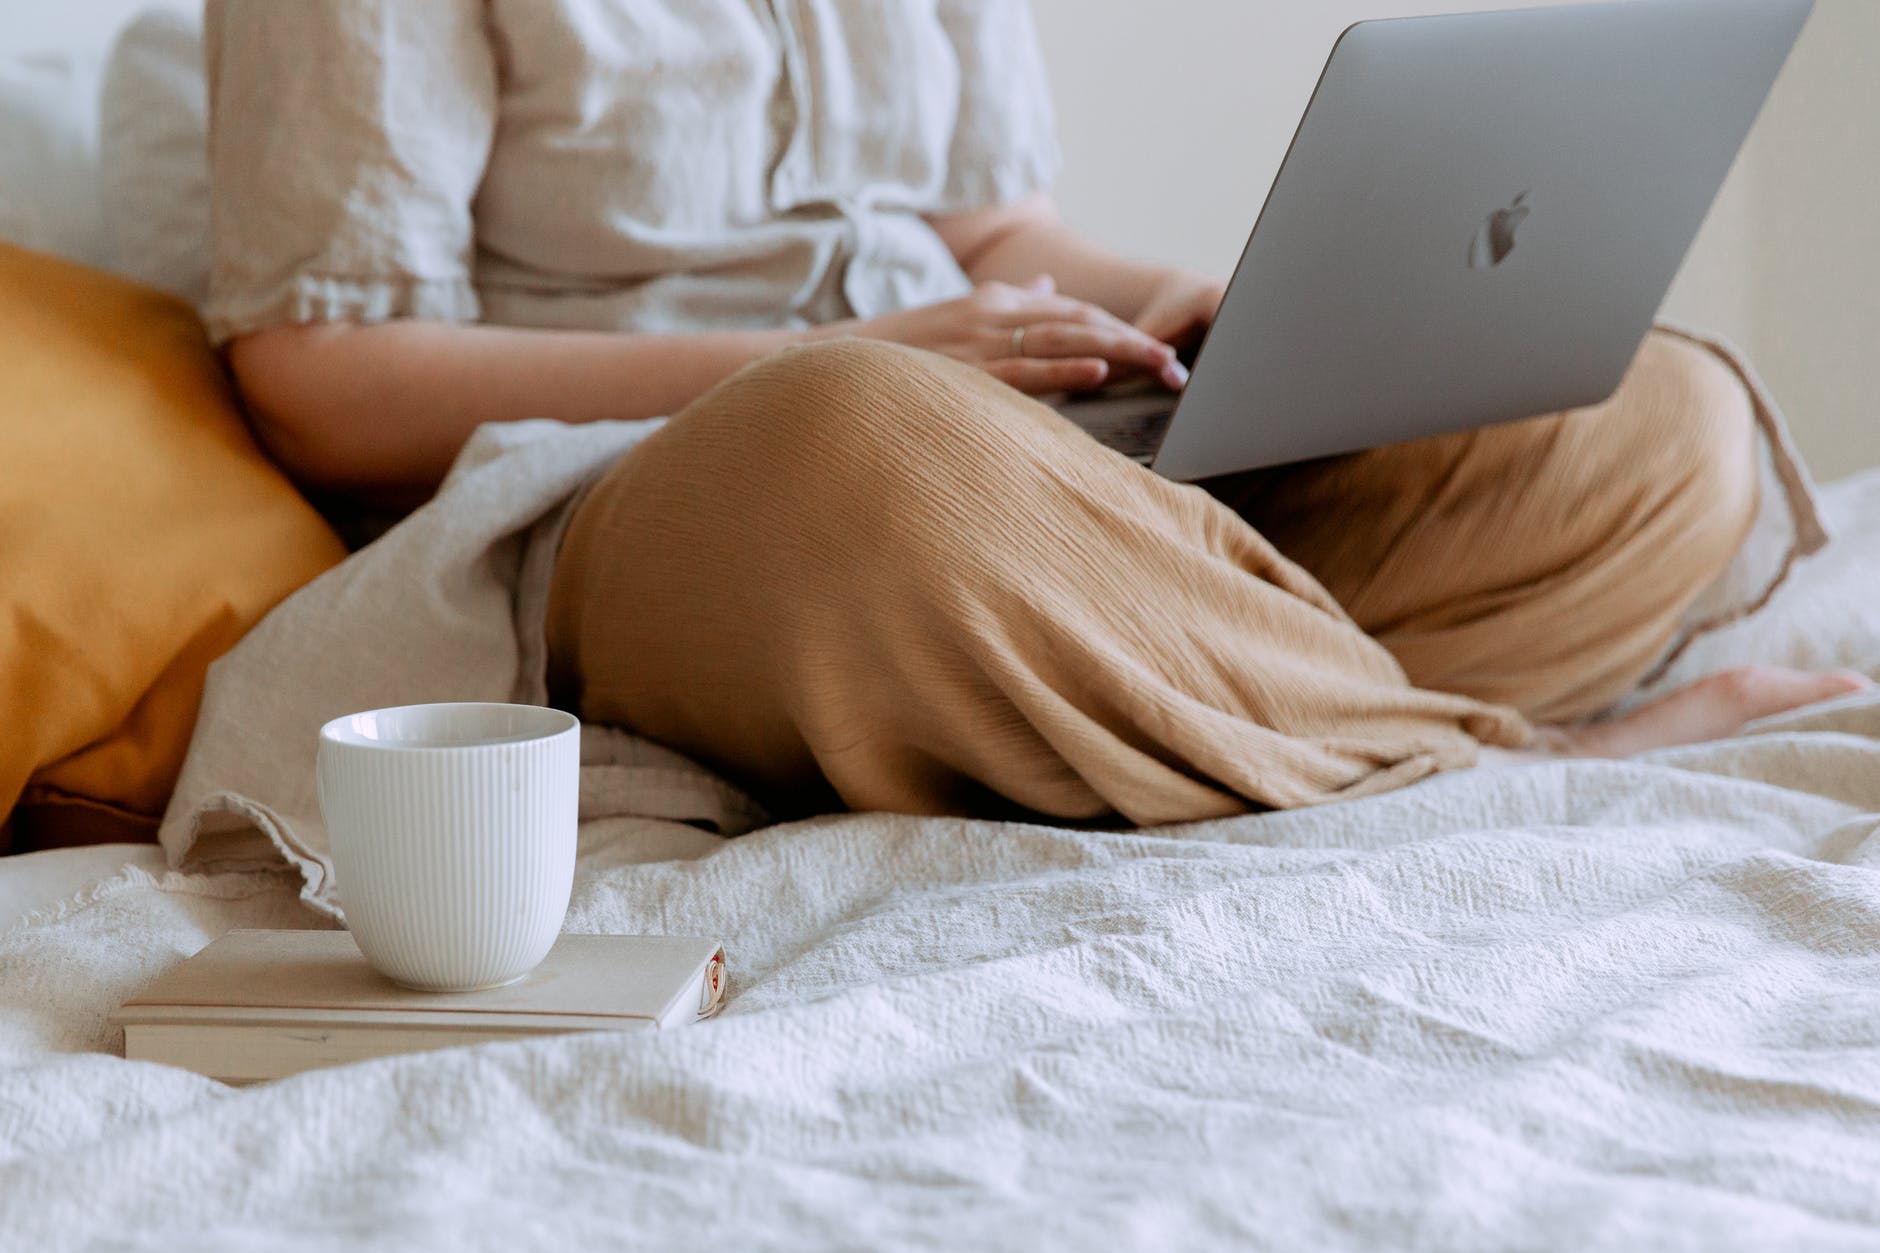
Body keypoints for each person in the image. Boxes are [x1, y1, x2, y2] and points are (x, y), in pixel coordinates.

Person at [204, 0, 1865, 826]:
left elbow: (1003, 230)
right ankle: (1523, 762)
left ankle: (1166, 694)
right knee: (864, 440)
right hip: (694, 480)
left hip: (1007, 446)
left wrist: (1193, 307)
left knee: (1656, 418)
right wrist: (873, 360)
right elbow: (322, 376)